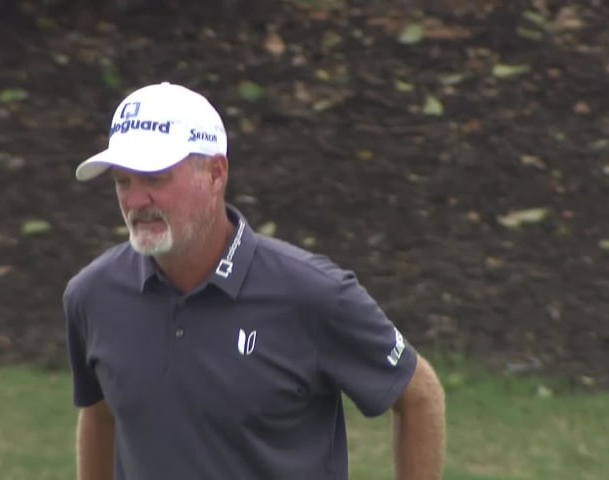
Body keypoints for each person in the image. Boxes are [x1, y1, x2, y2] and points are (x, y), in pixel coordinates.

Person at [62, 81, 446, 480]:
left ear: (214, 173)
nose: (135, 201)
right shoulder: (93, 296)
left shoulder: (313, 294)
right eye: (123, 181)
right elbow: (101, 413)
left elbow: (419, 394)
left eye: (155, 179)